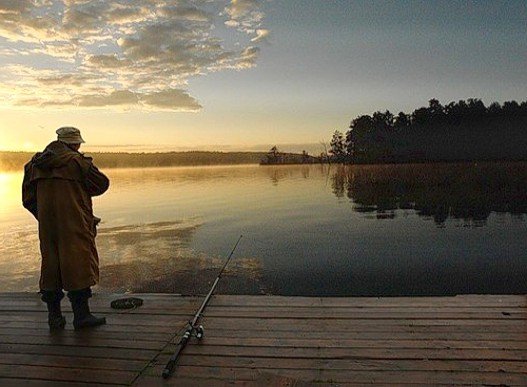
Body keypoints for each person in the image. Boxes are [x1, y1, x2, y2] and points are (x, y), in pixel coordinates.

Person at [22, 127, 109, 330]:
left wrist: (43, 215)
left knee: (50, 268)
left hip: (47, 227)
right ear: (75, 143)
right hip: (75, 223)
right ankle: (82, 317)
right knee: (78, 265)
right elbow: (102, 184)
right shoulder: (77, 162)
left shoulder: (34, 165)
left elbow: (28, 199)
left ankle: (55, 318)